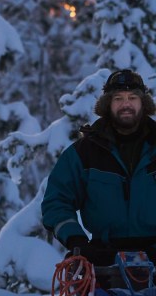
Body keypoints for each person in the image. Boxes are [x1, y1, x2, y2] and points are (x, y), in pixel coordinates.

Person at [41, 68, 156, 262]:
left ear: (143, 103)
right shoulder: (84, 152)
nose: (126, 104)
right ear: (107, 104)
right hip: (103, 259)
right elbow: (57, 201)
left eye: (133, 98)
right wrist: (76, 240)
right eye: (118, 98)